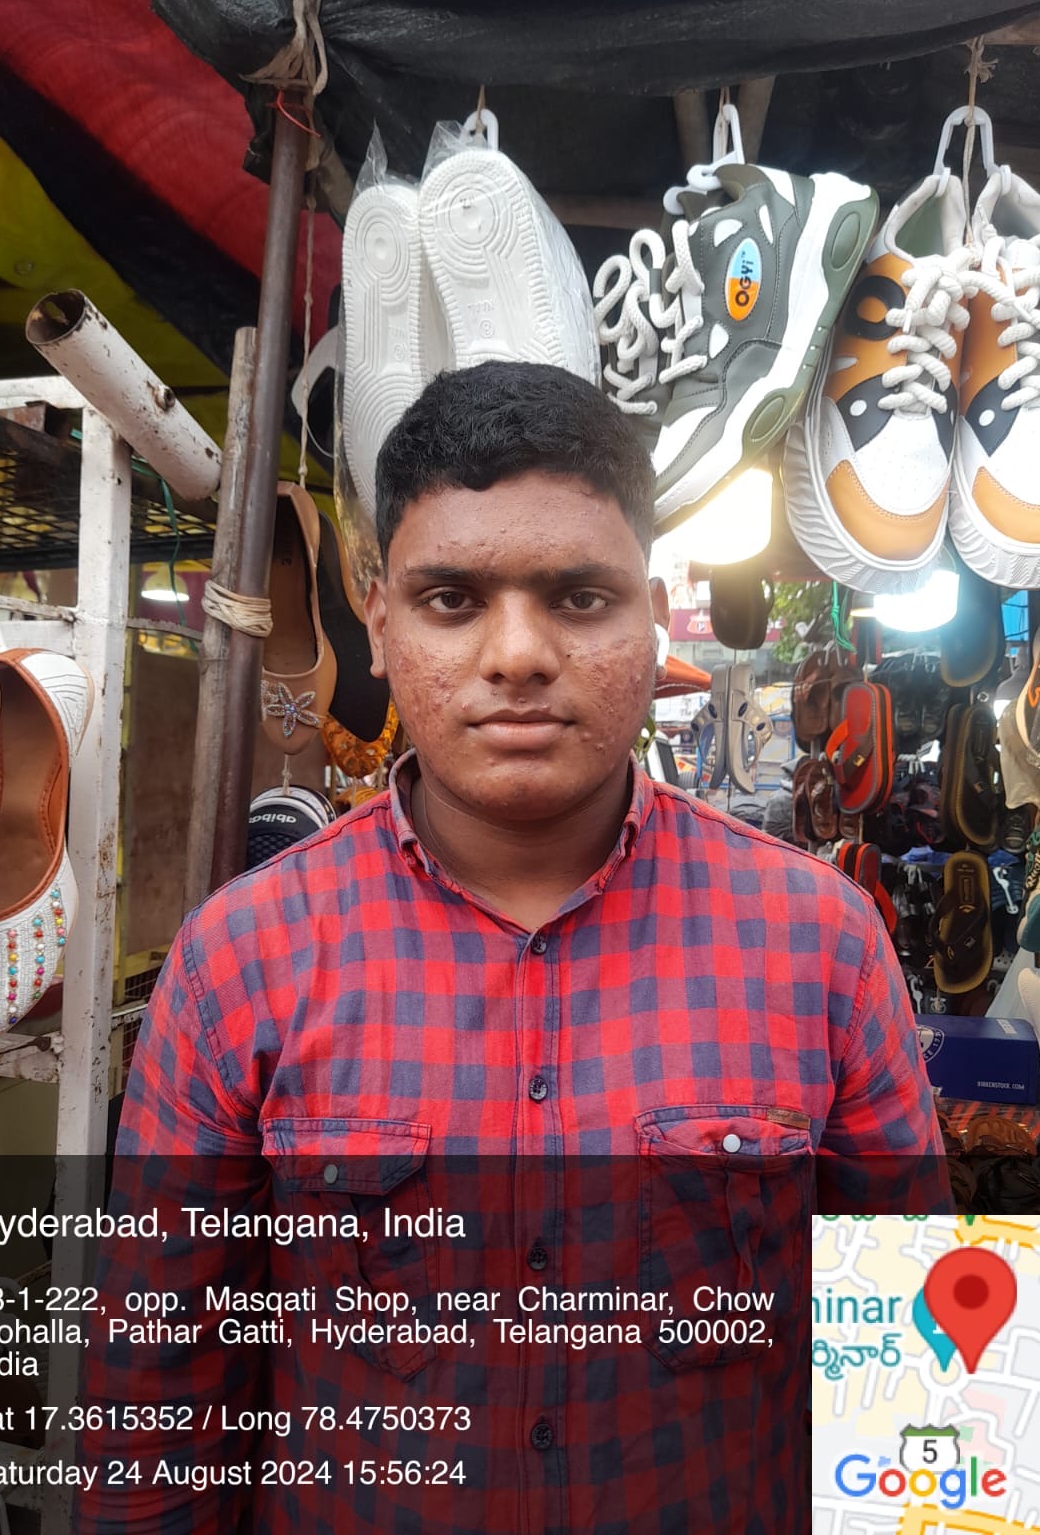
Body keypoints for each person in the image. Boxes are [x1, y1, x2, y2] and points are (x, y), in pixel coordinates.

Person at [77, 361, 944, 1535]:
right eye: (452, 599)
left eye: (580, 598)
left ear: (652, 614)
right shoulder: (240, 961)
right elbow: (155, 1401)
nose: (519, 654)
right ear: (379, 622)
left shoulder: (823, 946)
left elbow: (920, 1372)